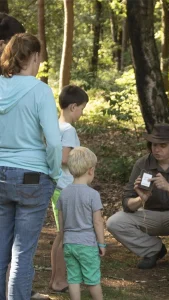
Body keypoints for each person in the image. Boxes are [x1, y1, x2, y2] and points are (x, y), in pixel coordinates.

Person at [0, 33, 61, 300]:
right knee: (22, 254)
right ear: (34, 57)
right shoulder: (39, 90)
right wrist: (55, 172)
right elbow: (55, 142)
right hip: (32, 176)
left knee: (1, 250)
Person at [107, 123, 169, 270]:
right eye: (154, 145)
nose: (157, 149)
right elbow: (127, 203)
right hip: (149, 215)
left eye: (162, 145)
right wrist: (141, 199)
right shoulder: (143, 163)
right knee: (114, 222)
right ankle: (153, 250)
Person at [49, 85, 89, 293]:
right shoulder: (69, 129)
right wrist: (83, 163)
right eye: (82, 108)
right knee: (65, 236)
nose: (81, 113)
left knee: (61, 234)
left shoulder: (55, 125)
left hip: (56, 186)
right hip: (66, 187)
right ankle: (59, 281)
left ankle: (57, 279)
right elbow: (65, 158)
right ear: (73, 106)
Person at [57, 147, 105, 300]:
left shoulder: (64, 193)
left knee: (73, 278)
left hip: (69, 243)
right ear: (90, 170)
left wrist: (64, 238)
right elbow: (98, 222)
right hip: (86, 244)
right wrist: (102, 244)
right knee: (92, 278)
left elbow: (61, 222)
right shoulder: (93, 195)